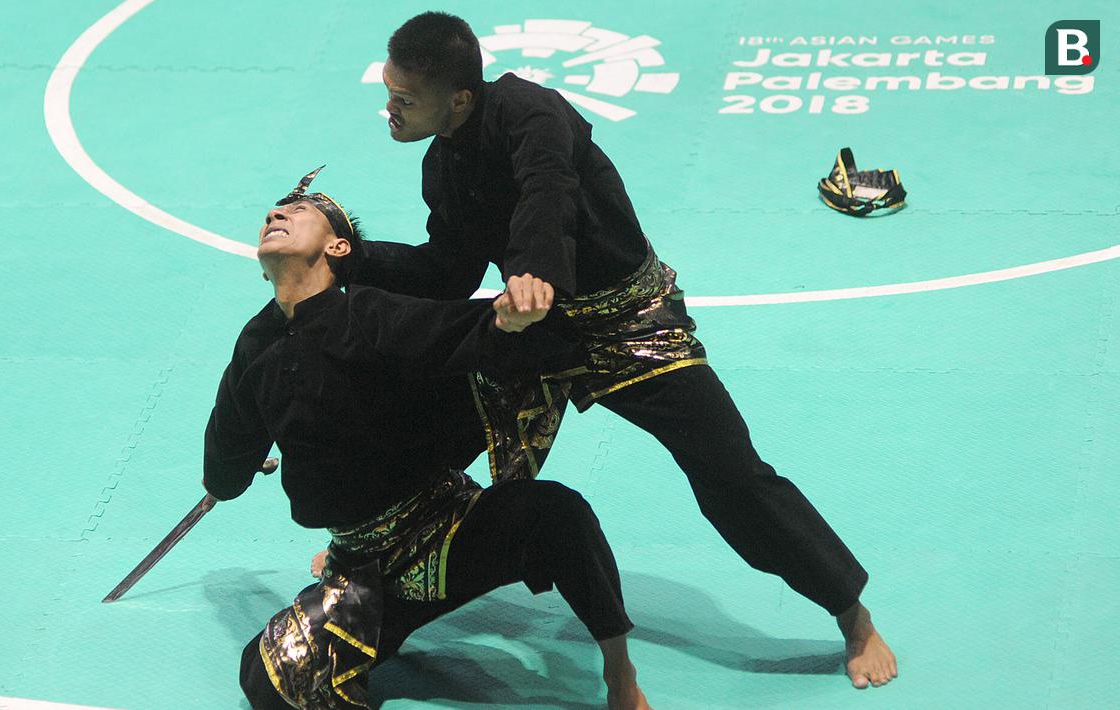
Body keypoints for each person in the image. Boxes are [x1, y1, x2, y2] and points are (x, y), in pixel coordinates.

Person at [351, 11, 897, 689]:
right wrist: (351, 256)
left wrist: (534, 272)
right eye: (388, 92)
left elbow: (545, 193)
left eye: (403, 99)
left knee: (729, 473)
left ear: (459, 97)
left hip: (630, 321)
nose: (388, 110)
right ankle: (366, 560)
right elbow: (446, 272)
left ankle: (851, 615)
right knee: (416, 411)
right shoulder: (443, 167)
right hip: (539, 330)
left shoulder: (534, 113)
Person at [203, 167, 652, 709]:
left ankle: (620, 677)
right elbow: (225, 468)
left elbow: (455, 332)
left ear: (338, 246)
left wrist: (504, 322)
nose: (276, 215)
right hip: (360, 569)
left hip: (448, 534)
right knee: (272, 676)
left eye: (299, 213)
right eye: (272, 213)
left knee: (557, 512)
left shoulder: (367, 313)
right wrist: (237, 467)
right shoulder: (254, 346)